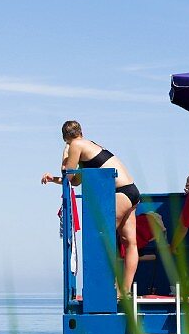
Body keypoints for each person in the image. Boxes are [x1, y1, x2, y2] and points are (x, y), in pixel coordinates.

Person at [42, 120, 141, 298]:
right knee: (130, 242)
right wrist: (53, 179)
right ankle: (123, 290)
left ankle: (104, 287)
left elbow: (70, 177)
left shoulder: (75, 145)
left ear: (65, 137)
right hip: (131, 192)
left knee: (103, 236)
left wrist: (65, 154)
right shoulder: (90, 144)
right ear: (81, 131)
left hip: (119, 193)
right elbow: (78, 180)